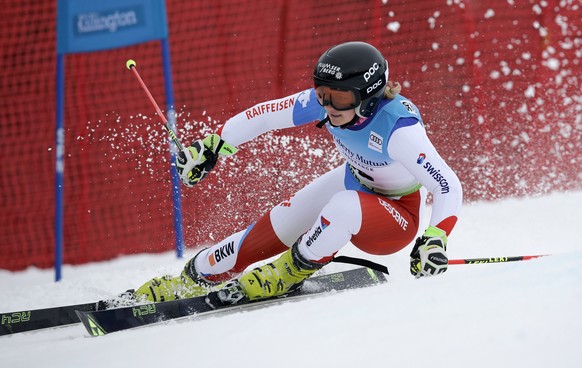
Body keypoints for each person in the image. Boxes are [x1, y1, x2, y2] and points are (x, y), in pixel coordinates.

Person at [134, 41, 463, 303]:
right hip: (355, 181)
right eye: (322, 94)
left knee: (344, 206)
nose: (328, 107)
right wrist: (214, 146)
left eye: (339, 98)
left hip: (396, 217)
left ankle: (290, 271)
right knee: (269, 227)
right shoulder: (330, 104)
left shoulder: (399, 129)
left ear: (369, 96)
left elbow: (447, 183)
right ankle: (193, 279)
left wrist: (436, 238)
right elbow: (264, 116)